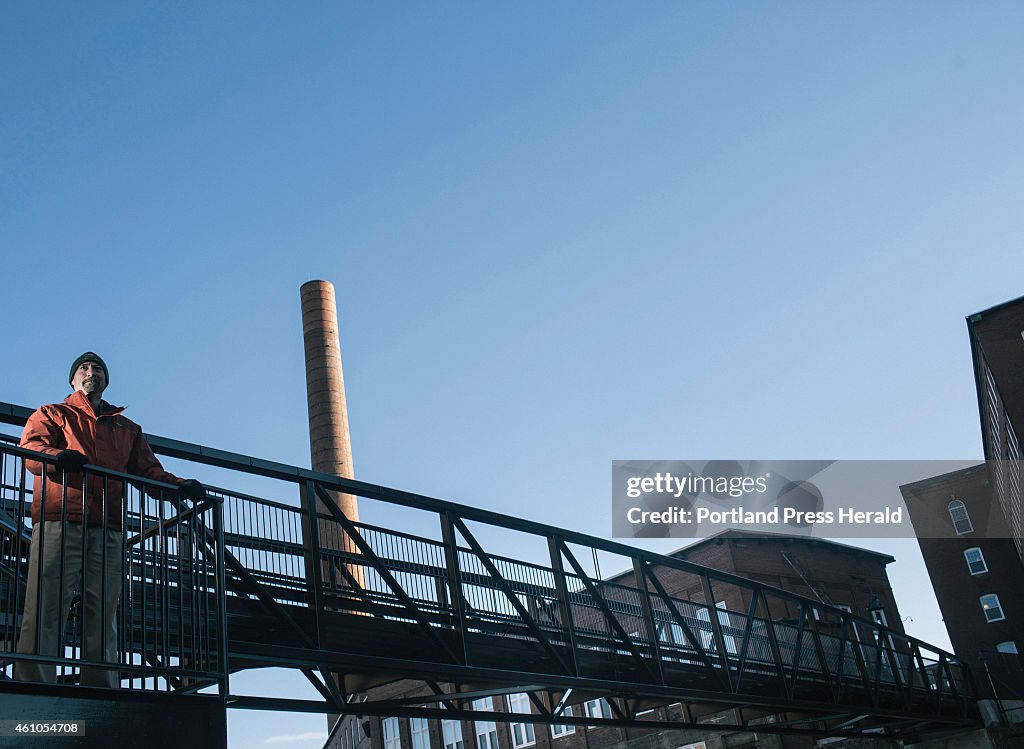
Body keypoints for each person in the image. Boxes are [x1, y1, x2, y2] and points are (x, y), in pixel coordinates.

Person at [15, 352, 205, 687]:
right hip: (61, 519)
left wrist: (179, 487)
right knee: (46, 605)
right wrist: (59, 458)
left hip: (109, 528)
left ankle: (102, 688)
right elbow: (32, 450)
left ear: (106, 380)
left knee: (104, 612)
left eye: (98, 368)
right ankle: (33, 685)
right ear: (73, 380)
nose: (92, 372)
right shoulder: (52, 413)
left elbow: (149, 471)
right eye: (84, 368)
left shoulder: (127, 429)